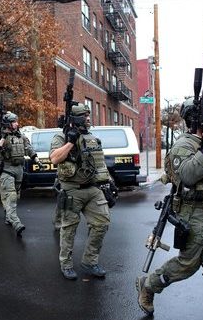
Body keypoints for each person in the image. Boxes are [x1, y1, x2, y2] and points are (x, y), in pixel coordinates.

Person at [135, 99, 203, 320]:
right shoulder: (183, 145)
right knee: (188, 265)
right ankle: (149, 285)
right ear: (197, 119)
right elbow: (187, 175)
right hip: (192, 212)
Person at [49, 103, 112, 280]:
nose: (89, 118)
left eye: (88, 115)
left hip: (93, 189)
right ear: (76, 118)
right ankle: (66, 264)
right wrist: (70, 141)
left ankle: (90, 261)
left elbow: (99, 163)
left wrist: (109, 183)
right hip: (71, 190)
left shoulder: (91, 137)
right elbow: (55, 158)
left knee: (102, 224)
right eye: (85, 115)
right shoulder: (60, 137)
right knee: (69, 229)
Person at [0, 111, 40, 236]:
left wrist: (36, 159)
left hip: (19, 169)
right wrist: (3, 138)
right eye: (14, 122)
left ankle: (8, 215)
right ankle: (16, 223)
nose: (17, 124)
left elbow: (28, 148)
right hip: (7, 169)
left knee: (16, 196)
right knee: (11, 196)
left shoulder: (20, 135)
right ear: (8, 123)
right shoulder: (0, 136)